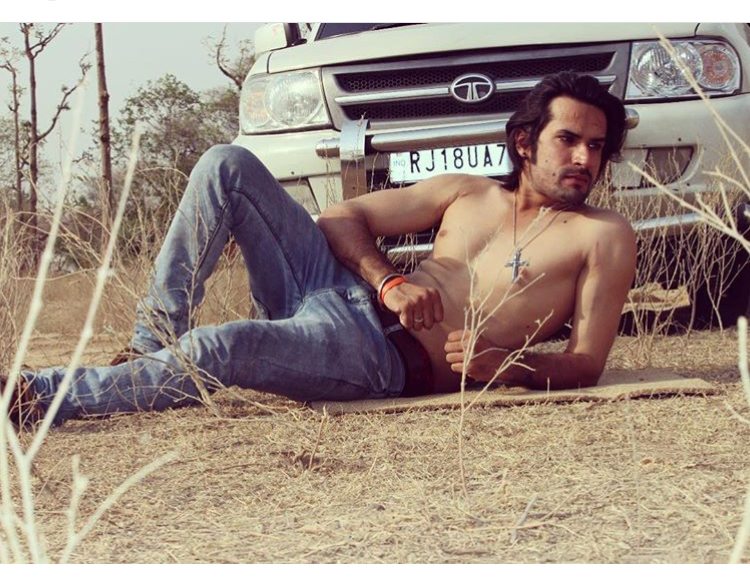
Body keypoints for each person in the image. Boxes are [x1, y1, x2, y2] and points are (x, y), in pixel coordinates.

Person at [2, 72, 636, 428]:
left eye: (597, 146)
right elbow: (342, 216)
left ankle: (34, 396)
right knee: (226, 164)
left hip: (379, 357)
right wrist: (388, 281)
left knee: (224, 346)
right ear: (525, 142)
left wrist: (505, 365)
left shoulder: (602, 235)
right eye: (568, 139)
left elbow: (586, 364)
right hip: (340, 290)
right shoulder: (467, 191)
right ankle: (150, 345)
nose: (584, 158)